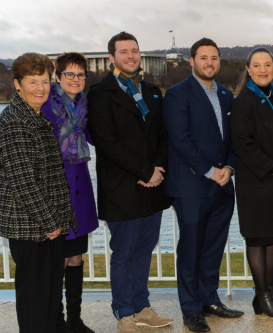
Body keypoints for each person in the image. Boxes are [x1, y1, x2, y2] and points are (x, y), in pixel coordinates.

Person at [87, 32, 173, 333]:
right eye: (123, 52)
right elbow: (107, 143)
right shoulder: (100, 93)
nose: (131, 56)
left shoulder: (152, 90)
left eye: (135, 51)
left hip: (153, 186)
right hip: (122, 188)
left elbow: (163, 134)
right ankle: (124, 312)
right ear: (112, 58)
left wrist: (158, 168)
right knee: (124, 252)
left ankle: (141, 307)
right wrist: (144, 170)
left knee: (145, 249)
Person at [0, 53, 77, 332]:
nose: (40, 88)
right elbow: (24, 182)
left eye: (45, 81)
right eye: (32, 82)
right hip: (32, 227)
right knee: (35, 302)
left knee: (50, 298)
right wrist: (51, 222)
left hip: (45, 225)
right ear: (17, 83)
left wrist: (56, 222)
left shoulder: (35, 115)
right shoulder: (17, 122)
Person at [163, 38, 243, 332]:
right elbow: (180, 140)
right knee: (191, 248)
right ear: (192, 62)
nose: (210, 63)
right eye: (204, 58)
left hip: (223, 186)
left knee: (213, 247)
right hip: (192, 186)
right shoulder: (176, 95)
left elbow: (233, 139)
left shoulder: (225, 95)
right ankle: (191, 309)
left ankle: (210, 299)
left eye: (214, 58)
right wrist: (211, 171)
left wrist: (229, 168)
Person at [230, 47, 273, 318]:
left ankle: (268, 293)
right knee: (259, 239)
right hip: (258, 183)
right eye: (256, 65)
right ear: (248, 69)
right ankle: (261, 296)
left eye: (267, 65)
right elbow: (243, 145)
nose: (262, 70)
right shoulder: (243, 101)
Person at [42, 52, 99, 333]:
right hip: (56, 190)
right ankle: (57, 321)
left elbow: (97, 137)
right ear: (58, 76)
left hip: (81, 189)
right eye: (69, 74)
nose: (75, 80)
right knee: (59, 259)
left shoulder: (85, 107)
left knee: (76, 258)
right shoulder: (44, 107)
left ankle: (75, 320)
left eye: (80, 75)